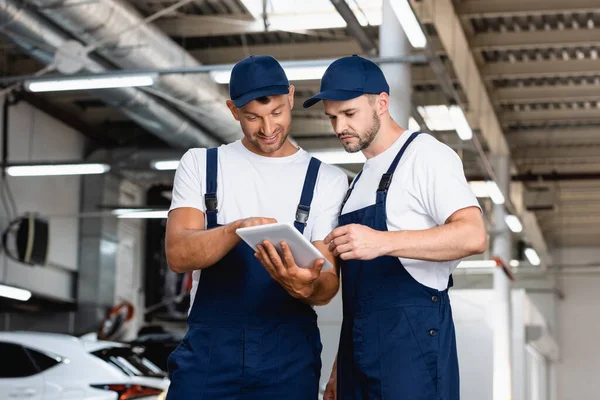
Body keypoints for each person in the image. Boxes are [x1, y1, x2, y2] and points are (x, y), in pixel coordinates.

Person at [303, 55, 487, 400]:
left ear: (382, 103)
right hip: (358, 355)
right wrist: (340, 369)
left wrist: (383, 242)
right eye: (332, 117)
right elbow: (358, 303)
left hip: (411, 350)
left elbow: (473, 234)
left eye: (349, 114)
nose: (340, 126)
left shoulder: (426, 155)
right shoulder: (357, 183)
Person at [165, 55, 348, 399]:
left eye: (277, 112)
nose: (267, 129)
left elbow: (327, 286)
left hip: (288, 354)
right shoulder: (202, 165)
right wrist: (235, 229)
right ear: (233, 110)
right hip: (210, 352)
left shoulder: (327, 179)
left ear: (291, 97)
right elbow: (178, 253)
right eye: (252, 117)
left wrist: (305, 286)